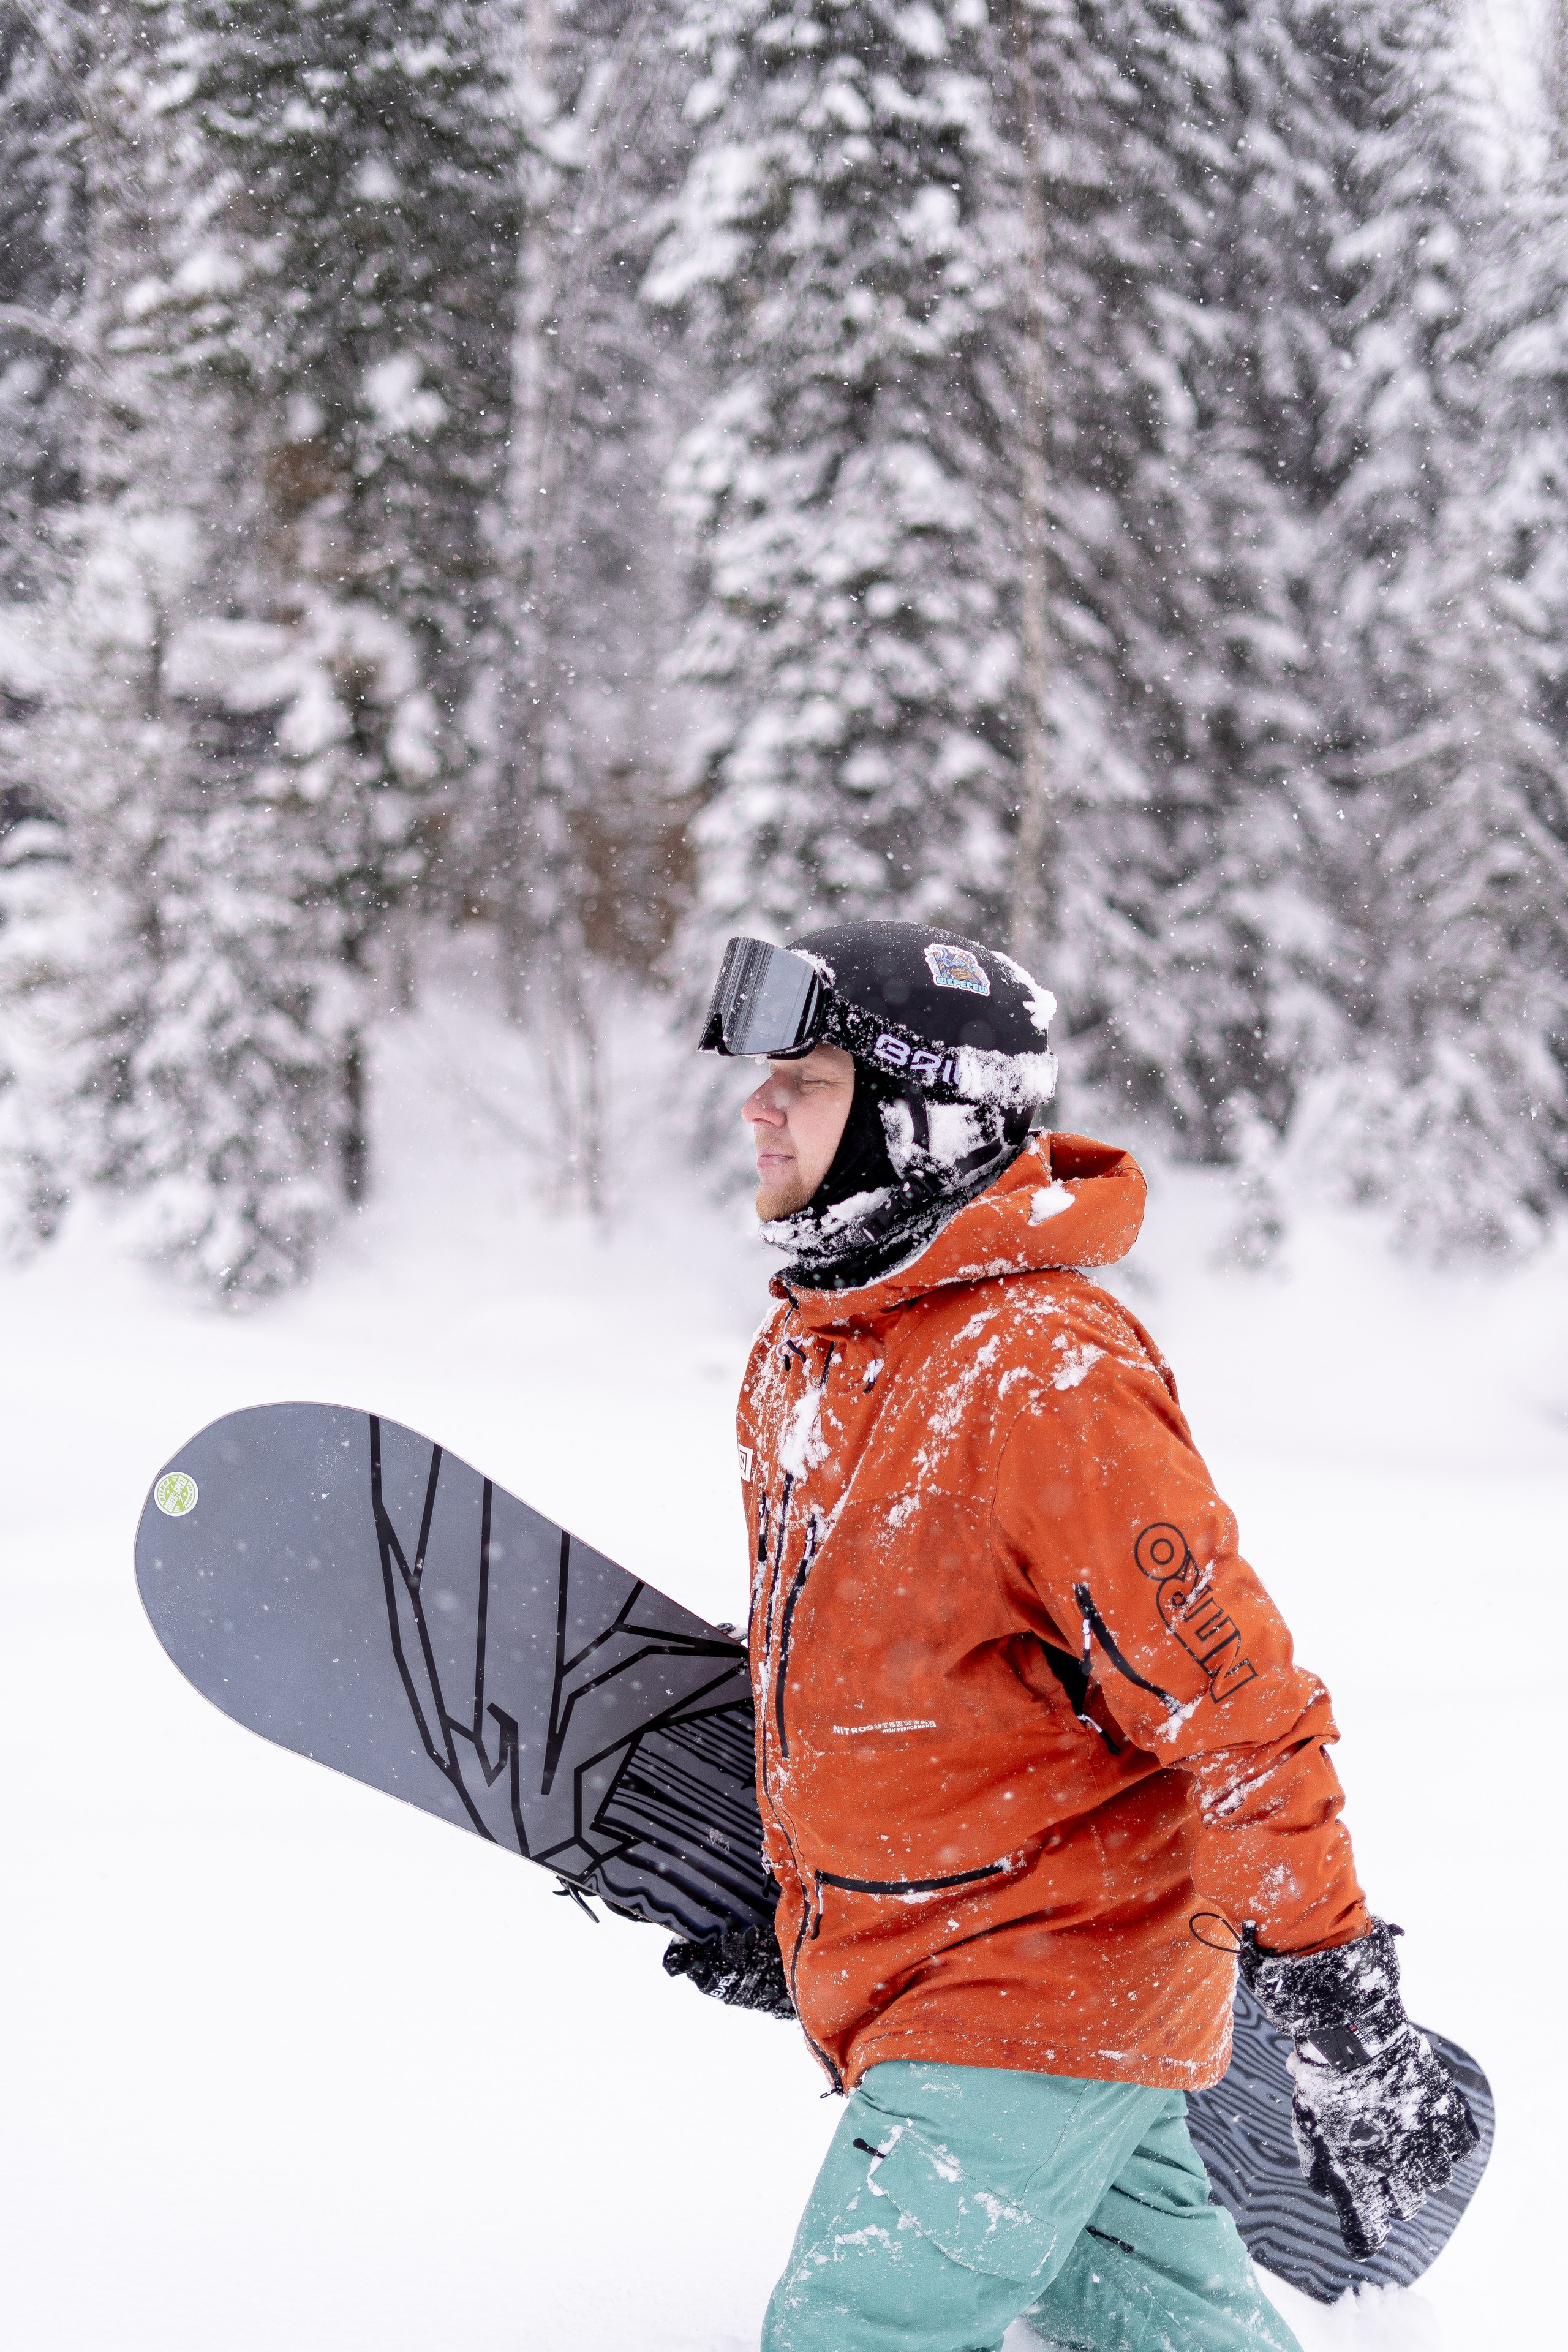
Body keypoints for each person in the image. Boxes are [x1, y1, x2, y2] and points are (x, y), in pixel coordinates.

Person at [665, 919, 1477, 2352]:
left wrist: (1337, 1992)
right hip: (982, 1993)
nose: (756, 1105)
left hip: (1028, 1993)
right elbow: (874, 1692)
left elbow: (1233, 1702)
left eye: (801, 1077)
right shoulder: (812, 1351)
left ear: (916, 1119)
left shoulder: (1043, 1374)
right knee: (1158, 2333)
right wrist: (806, 1908)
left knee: (850, 2328)